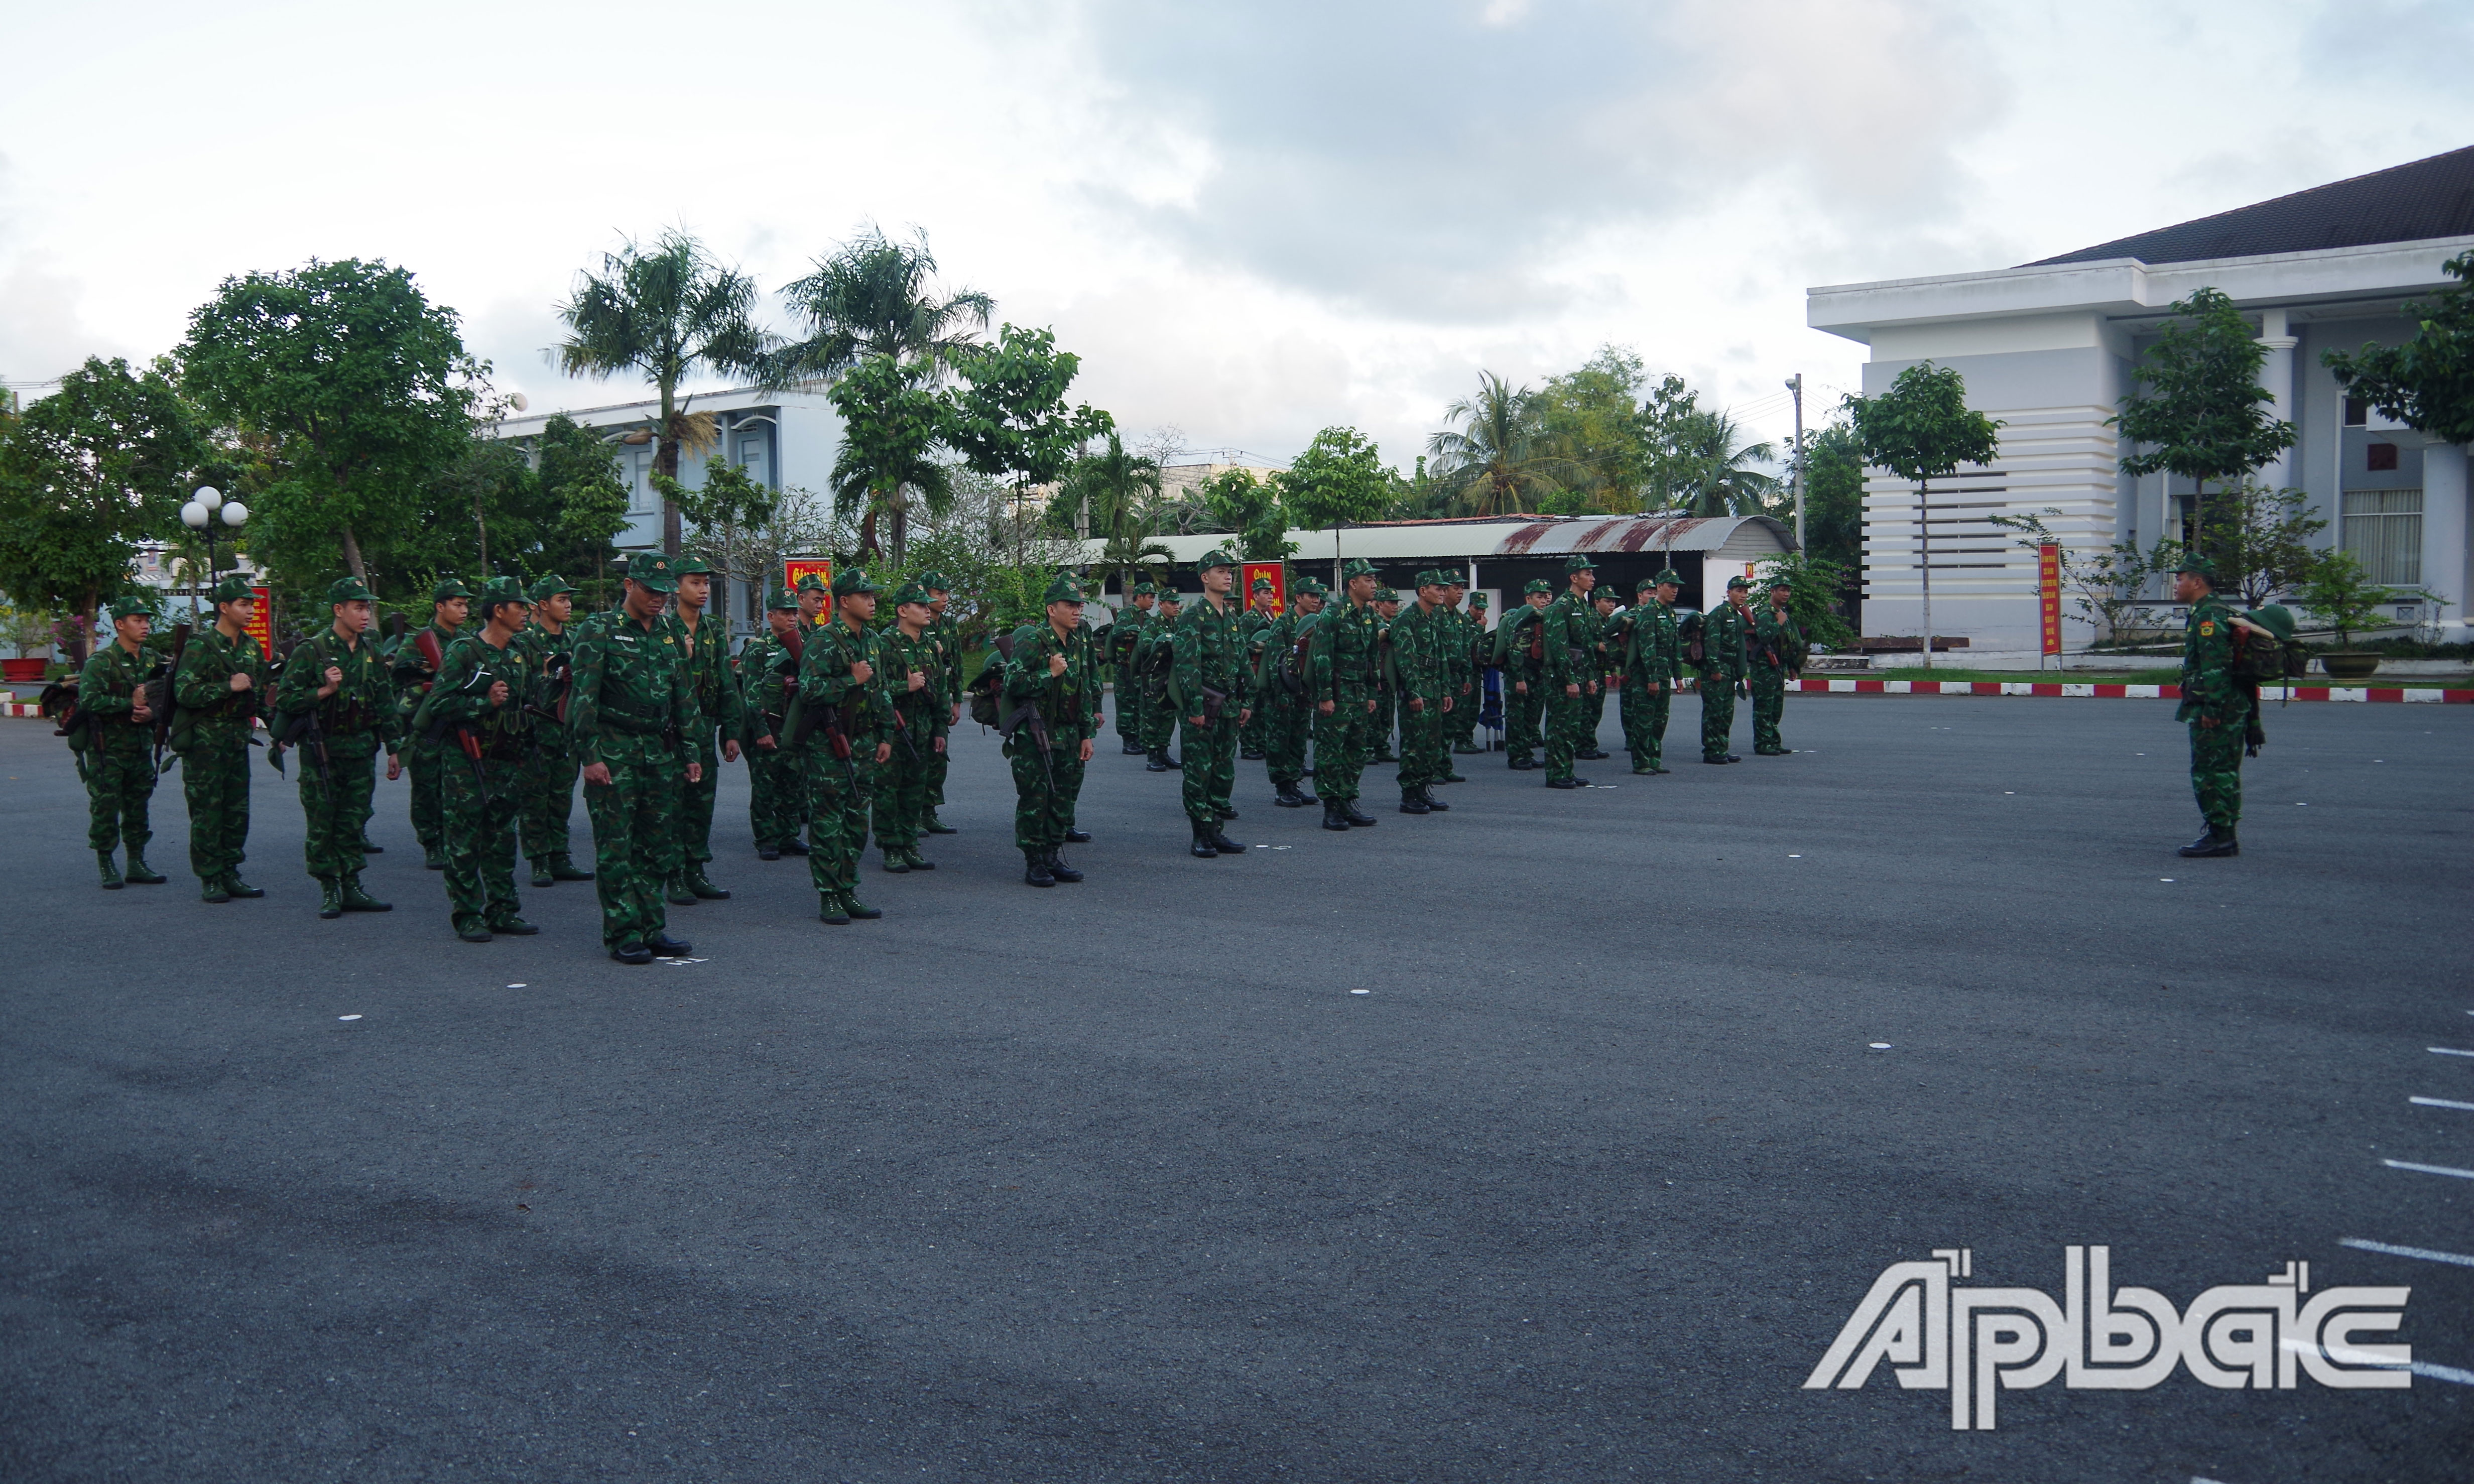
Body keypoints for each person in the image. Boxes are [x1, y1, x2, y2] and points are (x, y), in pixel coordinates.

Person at [567, 553, 699, 963]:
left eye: (665, 592)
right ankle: (623, 932)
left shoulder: (669, 632)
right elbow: (583, 697)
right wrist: (590, 755)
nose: (660, 598)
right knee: (616, 846)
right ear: (629, 587)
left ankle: (652, 926)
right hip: (614, 749)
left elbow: (683, 695)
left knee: (657, 845)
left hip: (658, 750)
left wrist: (691, 751)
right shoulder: (599, 629)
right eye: (651, 590)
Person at [413, 576, 540, 942]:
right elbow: (438, 704)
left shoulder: (519, 651)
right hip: (467, 762)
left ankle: (503, 909)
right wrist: (486, 702)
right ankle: (468, 913)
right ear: (498, 611)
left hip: (508, 758)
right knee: (465, 840)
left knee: (502, 837)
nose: (526, 613)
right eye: (519, 607)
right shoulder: (463, 652)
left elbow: (528, 701)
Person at [271, 576, 403, 918]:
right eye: (359, 608)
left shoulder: (372, 650)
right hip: (323, 752)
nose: (365, 615)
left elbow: (385, 701)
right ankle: (329, 887)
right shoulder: (311, 651)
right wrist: (324, 692)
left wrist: (394, 747)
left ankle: (353, 886)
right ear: (338, 609)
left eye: (367, 607)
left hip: (361, 749)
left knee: (353, 821)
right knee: (322, 821)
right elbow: (284, 699)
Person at [798, 569, 893, 923]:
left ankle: (848, 888)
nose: (871, 602)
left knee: (856, 822)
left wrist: (886, 735)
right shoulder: (823, 640)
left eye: (873, 596)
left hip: (865, 741)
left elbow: (881, 690)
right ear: (844, 601)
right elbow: (809, 690)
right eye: (864, 596)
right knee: (827, 823)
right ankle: (829, 895)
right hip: (829, 744)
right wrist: (849, 680)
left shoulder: (872, 639)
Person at [171, 576, 273, 901]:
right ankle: (210, 876)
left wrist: (279, 729)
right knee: (207, 811)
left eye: (252, 604)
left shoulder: (251, 647)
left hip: (237, 740)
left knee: (237, 811)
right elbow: (184, 693)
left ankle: (231, 871)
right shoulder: (200, 646)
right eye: (243, 605)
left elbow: (260, 693)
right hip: (205, 744)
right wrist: (227, 687)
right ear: (224, 608)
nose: (250, 611)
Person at [1004, 575, 1104, 886]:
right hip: (1037, 734)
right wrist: (1049, 673)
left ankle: (1052, 854)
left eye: (1079, 605)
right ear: (1051, 609)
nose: (1077, 610)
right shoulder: (1034, 641)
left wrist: (1087, 733)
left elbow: (1083, 691)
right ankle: (1034, 861)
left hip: (1070, 734)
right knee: (1036, 799)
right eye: (1069, 605)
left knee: (1063, 798)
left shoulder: (1076, 641)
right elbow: (1014, 684)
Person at [658, 555, 745, 905]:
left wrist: (731, 731)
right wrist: (684, 657)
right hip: (671, 731)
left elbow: (726, 682)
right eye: (695, 582)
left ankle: (696, 870)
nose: (704, 589)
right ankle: (674, 874)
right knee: (674, 804)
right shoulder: (663, 630)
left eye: (706, 583)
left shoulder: (710, 629)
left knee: (701, 802)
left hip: (705, 725)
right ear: (677, 587)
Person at [76, 596, 169, 889]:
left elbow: (167, 698)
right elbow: (89, 701)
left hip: (141, 746)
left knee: (138, 806)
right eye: (137, 620)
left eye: (146, 620)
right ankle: (106, 861)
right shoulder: (101, 662)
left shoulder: (154, 660)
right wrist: (129, 704)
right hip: (109, 750)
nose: (145, 626)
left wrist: (152, 713)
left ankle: (137, 862)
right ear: (120, 624)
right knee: (106, 806)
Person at [1174, 551, 1253, 857]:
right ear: (1205, 577)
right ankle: (1200, 834)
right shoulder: (1194, 616)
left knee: (1223, 771)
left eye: (1229, 571)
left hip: (1230, 707)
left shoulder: (1231, 617)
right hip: (1203, 706)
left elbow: (1242, 660)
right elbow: (1186, 665)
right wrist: (1194, 708)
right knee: (1199, 771)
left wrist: (1246, 700)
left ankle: (1217, 829)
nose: (1228, 575)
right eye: (1220, 571)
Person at [2173, 556, 2252, 857]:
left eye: (2180, 579)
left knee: (2210, 771)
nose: (2176, 585)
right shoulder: (2215, 611)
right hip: (2230, 705)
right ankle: (2225, 833)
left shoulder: (2209, 617)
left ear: (2197, 582)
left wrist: (2211, 709)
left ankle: (2220, 835)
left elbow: (2216, 667)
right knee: (2224, 770)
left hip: (2218, 708)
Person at [519, 574, 594, 889]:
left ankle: (560, 856)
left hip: (567, 731)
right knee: (536, 799)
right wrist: (549, 673)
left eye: (569, 599)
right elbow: (518, 689)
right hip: (537, 730)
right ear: (543, 605)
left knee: (562, 797)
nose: (568, 605)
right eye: (562, 599)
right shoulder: (524, 641)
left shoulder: (576, 638)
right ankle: (539, 859)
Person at [392, 577, 472, 869]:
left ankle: (454, 838)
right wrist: (429, 668)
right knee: (427, 785)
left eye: (466, 605)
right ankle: (431, 841)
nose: (464, 610)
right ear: (441, 606)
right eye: (458, 604)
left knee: (458, 785)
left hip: (456, 721)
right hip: (426, 724)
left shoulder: (467, 640)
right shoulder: (419, 640)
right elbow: (401, 670)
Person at [874, 580, 950, 874]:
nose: (927, 610)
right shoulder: (884, 643)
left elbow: (940, 690)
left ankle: (909, 844)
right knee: (888, 791)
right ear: (903, 610)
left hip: (923, 729)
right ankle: (891, 847)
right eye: (920, 605)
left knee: (914, 790)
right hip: (893, 731)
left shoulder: (930, 644)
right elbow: (873, 687)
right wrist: (903, 686)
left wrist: (940, 730)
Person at [1308, 557, 1384, 829]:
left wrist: (1372, 692)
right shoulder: (1334, 613)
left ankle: (1349, 800)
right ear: (1353, 584)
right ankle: (1331, 807)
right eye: (1368, 580)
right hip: (1337, 695)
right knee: (1331, 751)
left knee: (1356, 750)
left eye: (1374, 580)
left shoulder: (1369, 615)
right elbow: (1322, 657)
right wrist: (1325, 696)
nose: (1374, 585)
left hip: (1359, 693)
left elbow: (1372, 657)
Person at [738, 588, 809, 860]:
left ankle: (789, 836)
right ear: (771, 616)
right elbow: (752, 693)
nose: (791, 618)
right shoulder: (759, 648)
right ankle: (766, 839)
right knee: (765, 786)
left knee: (791, 783)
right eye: (785, 613)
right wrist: (761, 731)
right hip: (769, 725)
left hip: (793, 727)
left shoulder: (803, 644)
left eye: (794, 612)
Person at [1253, 575, 1326, 808]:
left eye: (1318, 596)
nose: (1316, 600)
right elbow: (1277, 661)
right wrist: (1282, 696)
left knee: (1298, 740)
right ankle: (1282, 787)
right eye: (1311, 596)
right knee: (1279, 741)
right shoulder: (1283, 623)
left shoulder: (1316, 622)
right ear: (1298, 598)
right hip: (1282, 693)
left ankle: (1294, 783)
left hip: (1303, 692)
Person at [1389, 571, 1457, 814]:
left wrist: (1446, 689)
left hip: (1435, 689)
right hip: (1416, 691)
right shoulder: (1407, 619)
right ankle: (1409, 794)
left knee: (1432, 743)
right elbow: (1405, 660)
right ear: (1422, 591)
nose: (1443, 593)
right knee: (1414, 743)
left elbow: (1441, 657)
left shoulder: (1434, 618)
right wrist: (1414, 692)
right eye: (1437, 589)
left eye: (1443, 589)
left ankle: (1423, 788)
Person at [1538, 556, 1600, 788]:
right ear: (1574, 578)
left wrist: (1591, 676)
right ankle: (1556, 774)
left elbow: (1588, 644)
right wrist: (1569, 680)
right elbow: (1559, 646)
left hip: (1581, 674)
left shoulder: (1583, 606)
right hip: (1562, 677)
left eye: (1592, 574)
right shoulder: (1561, 606)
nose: (1592, 579)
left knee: (1573, 726)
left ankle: (1567, 770)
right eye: (1587, 574)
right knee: (1559, 726)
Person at [1621, 572, 1685, 775]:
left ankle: (1654, 758)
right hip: (1648, 674)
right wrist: (1652, 678)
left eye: (1677, 586)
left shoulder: (1670, 612)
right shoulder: (1649, 612)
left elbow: (1675, 646)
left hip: (1665, 672)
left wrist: (1679, 675)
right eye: (1671, 586)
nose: (1675, 590)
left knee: (1660, 719)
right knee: (1644, 719)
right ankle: (1641, 762)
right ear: (1659, 587)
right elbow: (1646, 647)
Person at [919, 572, 963, 833]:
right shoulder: (915, 622)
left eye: (946, 593)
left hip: (941, 699)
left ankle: (929, 812)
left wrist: (957, 702)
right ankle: (911, 815)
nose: (944, 598)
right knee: (915, 760)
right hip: (920, 700)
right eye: (938, 593)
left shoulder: (948, 625)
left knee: (938, 756)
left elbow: (956, 664)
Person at [1496, 580, 1553, 768]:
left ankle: (1526, 752)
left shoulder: (1541, 617)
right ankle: (1516, 756)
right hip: (1520, 673)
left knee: (1531, 715)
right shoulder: (1525, 617)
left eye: (1546, 596)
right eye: (1539, 597)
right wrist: (1519, 679)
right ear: (1528, 599)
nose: (1544, 600)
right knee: (1516, 716)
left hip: (1536, 673)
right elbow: (1516, 649)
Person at [1696, 575, 1752, 764]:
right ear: (1729, 593)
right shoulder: (1719, 614)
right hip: (1717, 669)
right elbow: (1712, 643)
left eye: (1745, 592)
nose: (1743, 595)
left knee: (1726, 712)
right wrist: (1715, 669)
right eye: (1739, 591)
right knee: (1714, 712)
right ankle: (1711, 751)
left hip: (1729, 670)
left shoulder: (1735, 615)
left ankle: (1722, 748)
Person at [1750, 576, 1808, 756]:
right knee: (1764, 708)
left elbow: (1789, 643)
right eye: (1782, 590)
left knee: (1776, 708)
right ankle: (1762, 743)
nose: (1786, 594)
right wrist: (1779, 623)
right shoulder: (1767, 614)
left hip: (1777, 668)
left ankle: (1774, 741)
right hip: (1763, 668)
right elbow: (1764, 637)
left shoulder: (1783, 615)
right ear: (1772, 592)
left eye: (1788, 590)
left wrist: (1793, 666)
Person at [1109, 580, 1156, 756]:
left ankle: (1139, 738)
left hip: (1141, 669)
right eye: (1150, 597)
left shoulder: (1150, 618)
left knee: (1140, 704)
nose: (1152, 601)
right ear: (1140, 597)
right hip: (1125, 668)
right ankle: (1128, 740)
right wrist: (1136, 631)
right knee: (1126, 704)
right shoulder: (1127, 615)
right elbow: (1118, 634)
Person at [1139, 590, 1183, 770]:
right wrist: (1164, 645)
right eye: (1171, 603)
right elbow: (1145, 647)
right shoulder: (1152, 624)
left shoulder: (1178, 625)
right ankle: (1152, 755)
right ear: (1161, 605)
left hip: (1171, 678)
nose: (1176, 606)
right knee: (1152, 717)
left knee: (1168, 715)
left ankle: (1164, 752)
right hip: (1155, 679)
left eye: (1177, 603)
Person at [1238, 575, 1279, 761]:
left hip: (1266, 667)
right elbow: (1244, 646)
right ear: (1255, 596)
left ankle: (1262, 743)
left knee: (1263, 708)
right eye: (1265, 593)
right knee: (1251, 707)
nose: (1269, 596)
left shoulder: (1271, 616)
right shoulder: (1248, 618)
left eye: (1271, 593)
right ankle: (1248, 746)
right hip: (1253, 667)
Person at [1583, 587, 1621, 758]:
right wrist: (1597, 646)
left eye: (1613, 601)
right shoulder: (1591, 619)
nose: (1611, 604)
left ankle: (1590, 743)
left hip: (1601, 669)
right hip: (1589, 670)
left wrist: (1612, 670)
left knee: (1596, 709)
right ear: (1597, 602)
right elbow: (1582, 642)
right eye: (1607, 601)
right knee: (1587, 709)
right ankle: (1583, 745)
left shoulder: (1609, 622)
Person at [1371, 586, 1403, 763]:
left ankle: (1382, 747)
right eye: (1390, 603)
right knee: (1373, 715)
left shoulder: (1397, 624)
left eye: (1396, 603)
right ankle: (1368, 748)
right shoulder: (1373, 623)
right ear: (1380, 604)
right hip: (1378, 675)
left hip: (1390, 676)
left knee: (1388, 714)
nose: (1394, 606)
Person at [1459, 590, 1493, 754]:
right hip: (1465, 671)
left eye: (1483, 609)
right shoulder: (1463, 621)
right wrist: (1480, 629)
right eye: (1477, 608)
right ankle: (1461, 740)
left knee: (1473, 707)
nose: (1480, 612)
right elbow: (1465, 645)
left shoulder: (1479, 622)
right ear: (1470, 606)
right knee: (1464, 708)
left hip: (1476, 670)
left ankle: (1468, 738)